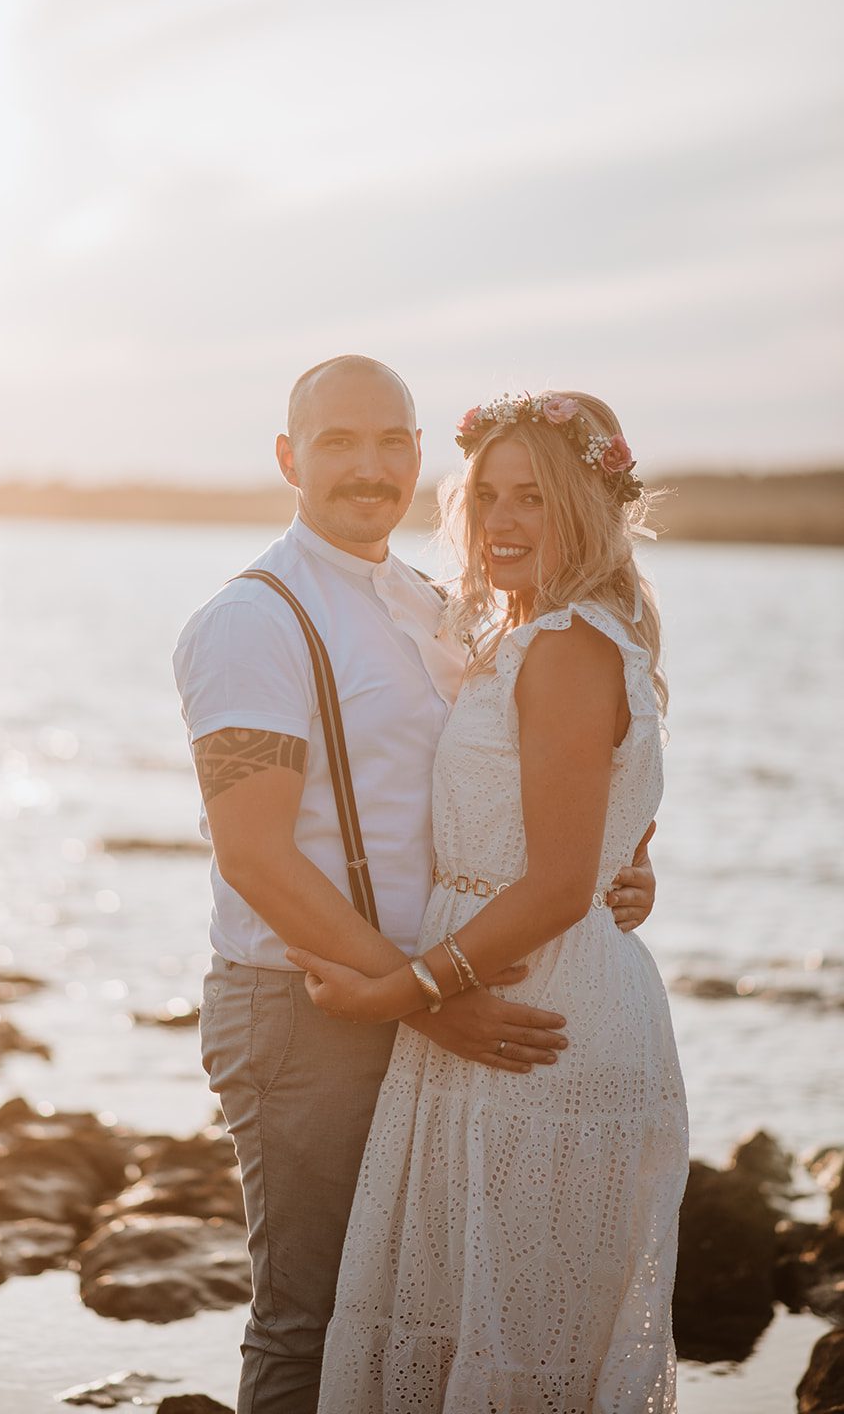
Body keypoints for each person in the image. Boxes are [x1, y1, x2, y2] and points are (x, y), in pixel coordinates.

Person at [172, 360, 657, 1414]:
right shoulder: (256, 620)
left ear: (418, 453)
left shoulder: (437, 605)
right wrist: (430, 998)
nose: (370, 466)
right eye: (339, 442)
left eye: (392, 440)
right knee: (314, 1324)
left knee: (425, 1325)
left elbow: (542, 776)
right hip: (311, 1011)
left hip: (437, 1000)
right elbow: (253, 854)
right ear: (290, 459)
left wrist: (628, 854)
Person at [291, 390, 689, 1414]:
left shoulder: (565, 645)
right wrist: (625, 872)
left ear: (591, 511)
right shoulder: (561, 630)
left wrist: (406, 992)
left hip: (533, 1010)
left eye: (538, 500)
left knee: (512, 1332)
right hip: (531, 978)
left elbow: (560, 883)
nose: (506, 522)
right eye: (491, 496)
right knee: (490, 1317)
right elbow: (611, 840)